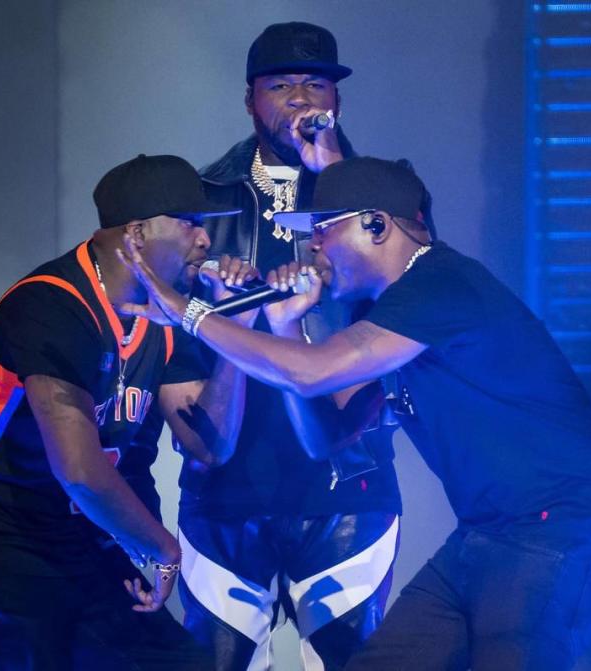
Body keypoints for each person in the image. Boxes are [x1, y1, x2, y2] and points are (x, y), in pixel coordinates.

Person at [119, 157, 591, 671]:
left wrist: (192, 314)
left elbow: (313, 372)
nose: (312, 246)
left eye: (323, 229)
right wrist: (282, 328)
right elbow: (327, 437)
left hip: (558, 527)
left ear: (376, 225)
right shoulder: (390, 310)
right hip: (487, 531)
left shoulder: (439, 282)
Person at [0, 154, 259, 670]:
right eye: (190, 224)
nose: (205, 241)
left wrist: (232, 332)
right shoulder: (52, 304)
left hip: (76, 522)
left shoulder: (167, 314)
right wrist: (164, 549)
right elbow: (80, 471)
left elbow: (209, 444)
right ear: (135, 235)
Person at [172, 22, 403, 671]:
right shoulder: (204, 200)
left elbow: (406, 282)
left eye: (315, 84)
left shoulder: (382, 193)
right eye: (282, 85)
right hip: (228, 492)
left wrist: (330, 166)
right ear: (250, 99)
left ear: (337, 98)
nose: (302, 99)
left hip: (345, 486)